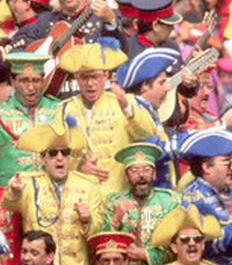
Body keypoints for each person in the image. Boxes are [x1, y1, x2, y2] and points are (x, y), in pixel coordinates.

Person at [2, 121, 102, 265]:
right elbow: (8, 204)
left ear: (71, 157)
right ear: (43, 159)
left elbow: (97, 233)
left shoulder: (89, 185)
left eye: (65, 152)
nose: (60, 158)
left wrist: (87, 220)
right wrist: (15, 191)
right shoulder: (28, 183)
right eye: (53, 153)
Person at [54, 40, 157, 194]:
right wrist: (78, 166)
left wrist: (126, 106)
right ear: (76, 77)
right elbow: (54, 155)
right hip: (79, 195)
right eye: (84, 77)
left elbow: (147, 132)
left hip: (116, 194)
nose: (90, 83)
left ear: (105, 75)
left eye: (95, 77)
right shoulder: (64, 109)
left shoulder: (123, 102)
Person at [0, 51, 58, 185]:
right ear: (13, 81)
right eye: (24, 81)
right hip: (9, 195)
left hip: (47, 196)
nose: (31, 87)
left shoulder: (57, 108)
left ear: (43, 80)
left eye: (36, 80)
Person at [116, 47, 197, 189]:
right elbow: (157, 151)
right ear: (144, 86)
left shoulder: (147, 109)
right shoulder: (133, 109)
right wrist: (195, 137)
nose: (167, 88)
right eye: (161, 82)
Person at [102, 142, 181, 265]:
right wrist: (115, 220)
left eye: (146, 169)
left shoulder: (170, 201)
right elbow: (101, 246)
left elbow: (177, 246)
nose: (141, 175)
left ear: (154, 174)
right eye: (134, 171)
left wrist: (145, 255)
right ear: (126, 177)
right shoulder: (114, 201)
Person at [179, 129, 232, 265]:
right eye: (226, 162)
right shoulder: (194, 197)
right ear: (207, 167)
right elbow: (210, 246)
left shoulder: (227, 189)